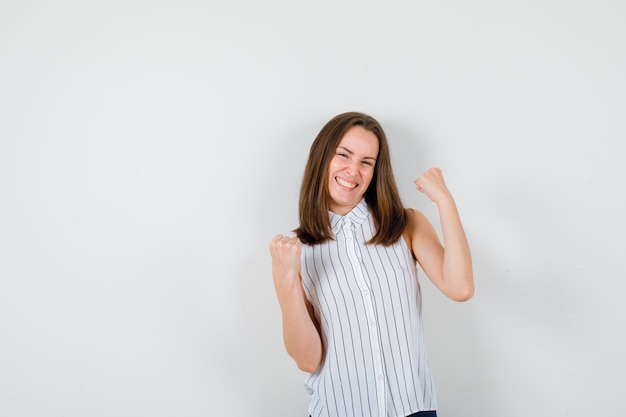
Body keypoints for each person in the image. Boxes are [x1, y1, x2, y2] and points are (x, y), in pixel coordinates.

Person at [269, 112, 474, 417]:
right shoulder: (297, 251)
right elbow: (308, 360)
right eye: (343, 155)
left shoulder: (405, 224)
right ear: (322, 158)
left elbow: (460, 287)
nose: (353, 170)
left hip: (413, 409)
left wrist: (444, 199)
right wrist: (286, 281)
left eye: (366, 161)